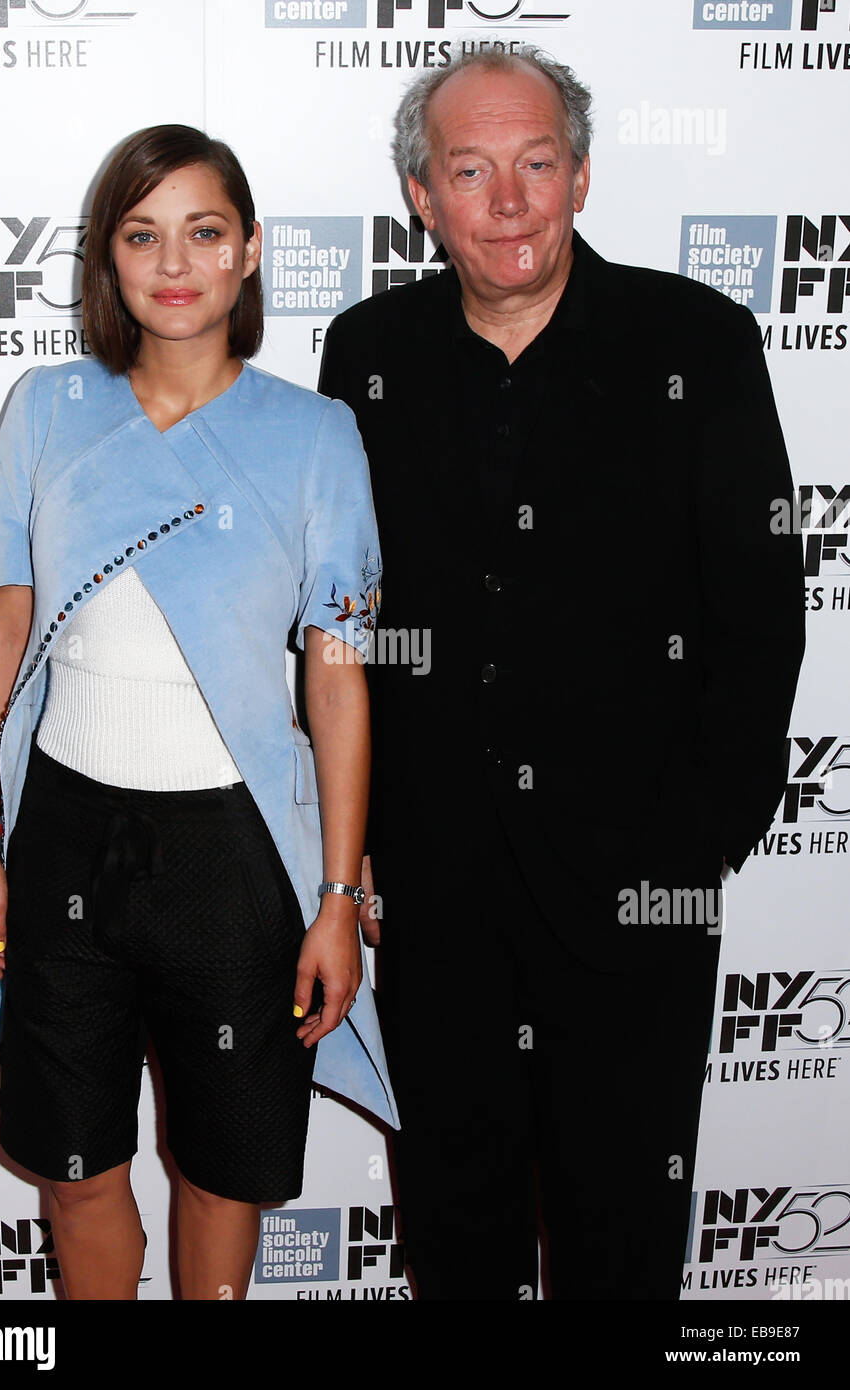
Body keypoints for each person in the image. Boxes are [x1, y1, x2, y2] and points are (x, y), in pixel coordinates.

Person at [318, 48, 805, 1300]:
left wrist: (696, 843)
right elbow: (344, 624)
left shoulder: (697, 340)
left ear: (580, 175)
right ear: (422, 196)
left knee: (623, 1248)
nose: (509, 200)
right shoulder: (365, 352)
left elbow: (757, 615)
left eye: (537, 164)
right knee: (457, 1235)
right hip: (435, 894)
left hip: (639, 887)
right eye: (470, 170)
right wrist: (357, 846)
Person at [0, 124, 397, 1301]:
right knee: (76, 1168)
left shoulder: (316, 437)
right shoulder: (46, 408)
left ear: (248, 251)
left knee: (222, 1172)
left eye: (203, 231)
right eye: (142, 235)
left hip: (237, 861)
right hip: (67, 838)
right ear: (108, 259)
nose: (174, 261)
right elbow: (5, 626)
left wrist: (339, 897)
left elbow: (338, 674)